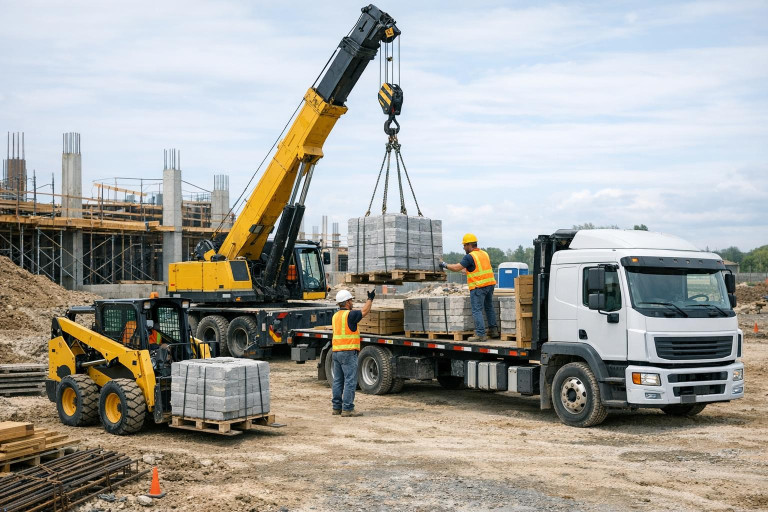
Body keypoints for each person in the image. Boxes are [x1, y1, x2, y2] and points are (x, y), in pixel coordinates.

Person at [439, 233, 498, 341]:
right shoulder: (484, 253)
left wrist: (444, 264)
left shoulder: (470, 256)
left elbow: (457, 267)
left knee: (477, 310)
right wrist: (467, 270)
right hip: (490, 284)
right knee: (489, 307)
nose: (463, 247)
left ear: (469, 245)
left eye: (464, 245)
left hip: (478, 287)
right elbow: (478, 269)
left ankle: (480, 334)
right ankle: (493, 330)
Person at [331, 288, 374, 417]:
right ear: (347, 302)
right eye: (351, 300)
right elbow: (365, 311)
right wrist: (370, 299)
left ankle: (336, 408)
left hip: (336, 352)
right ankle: (348, 408)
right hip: (348, 352)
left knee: (338, 381)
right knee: (350, 380)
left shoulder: (335, 316)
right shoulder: (350, 315)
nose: (352, 303)